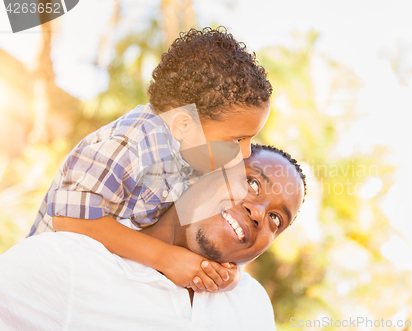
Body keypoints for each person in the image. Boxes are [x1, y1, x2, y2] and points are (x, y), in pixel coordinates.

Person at [26, 27, 273, 292]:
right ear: (183, 126)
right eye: (238, 139)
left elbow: (216, 224)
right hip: (47, 283)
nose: (246, 152)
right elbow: (70, 219)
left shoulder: (197, 155)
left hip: (97, 286)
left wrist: (230, 270)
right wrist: (164, 258)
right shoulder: (132, 143)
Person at [0, 144, 306, 331]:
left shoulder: (252, 306)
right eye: (252, 183)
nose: (259, 212)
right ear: (204, 171)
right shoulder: (68, 264)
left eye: (276, 219)